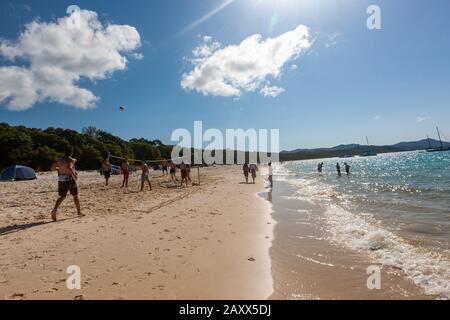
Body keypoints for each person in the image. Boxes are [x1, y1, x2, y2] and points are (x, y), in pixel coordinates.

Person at [50, 147, 84, 222]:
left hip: (61, 179)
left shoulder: (59, 160)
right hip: (69, 179)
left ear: (65, 152)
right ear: (71, 153)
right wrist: (74, 175)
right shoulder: (70, 160)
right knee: (75, 196)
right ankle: (79, 212)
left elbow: (52, 168)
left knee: (62, 196)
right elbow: (69, 167)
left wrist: (60, 169)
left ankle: (54, 210)